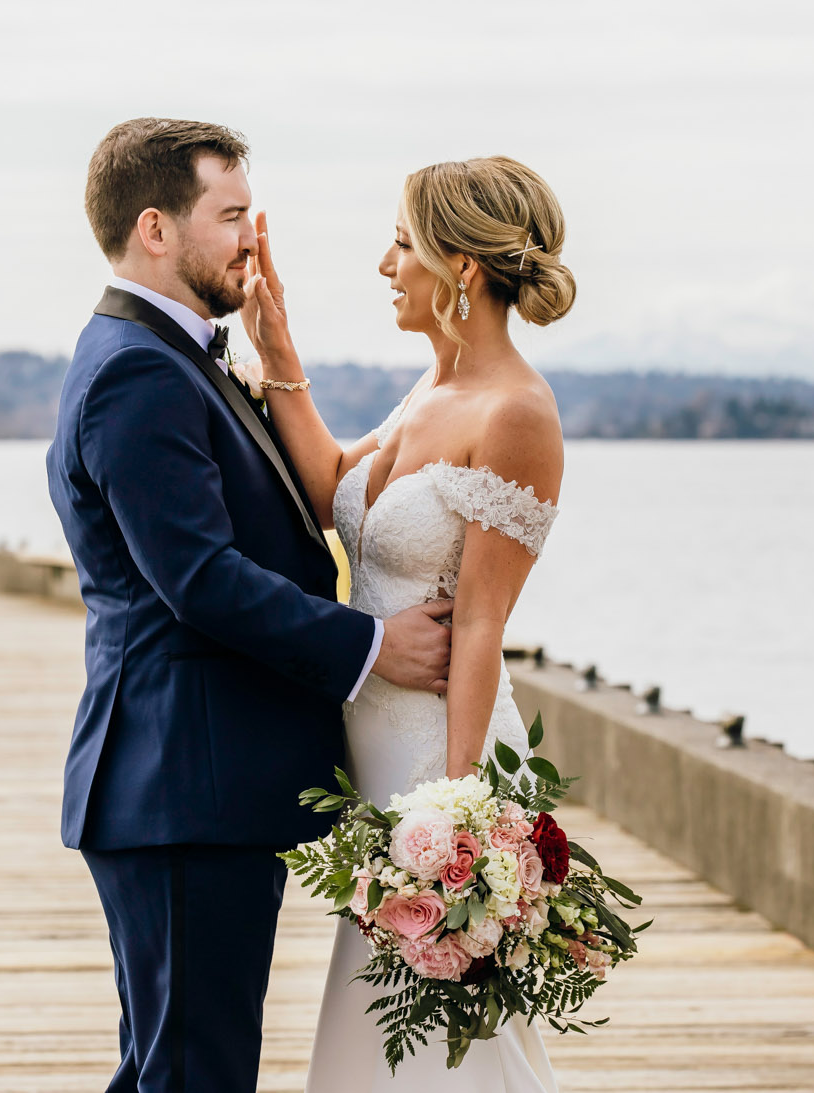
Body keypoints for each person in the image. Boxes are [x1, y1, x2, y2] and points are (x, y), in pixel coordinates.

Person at [46, 117, 459, 1093]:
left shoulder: (166, 351)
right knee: (195, 1073)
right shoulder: (137, 374)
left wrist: (276, 353)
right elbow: (199, 579)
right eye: (229, 216)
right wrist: (369, 647)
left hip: (190, 786)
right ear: (156, 228)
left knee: (169, 1067)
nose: (251, 237)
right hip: (180, 786)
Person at [240, 154, 578, 1090]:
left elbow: (479, 626)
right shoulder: (431, 389)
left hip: (440, 755)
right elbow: (332, 491)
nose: (385, 265)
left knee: (452, 1034)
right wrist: (279, 356)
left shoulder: (517, 413)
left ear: (461, 267)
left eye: (400, 243)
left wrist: (460, 823)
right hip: (373, 749)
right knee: (375, 1015)